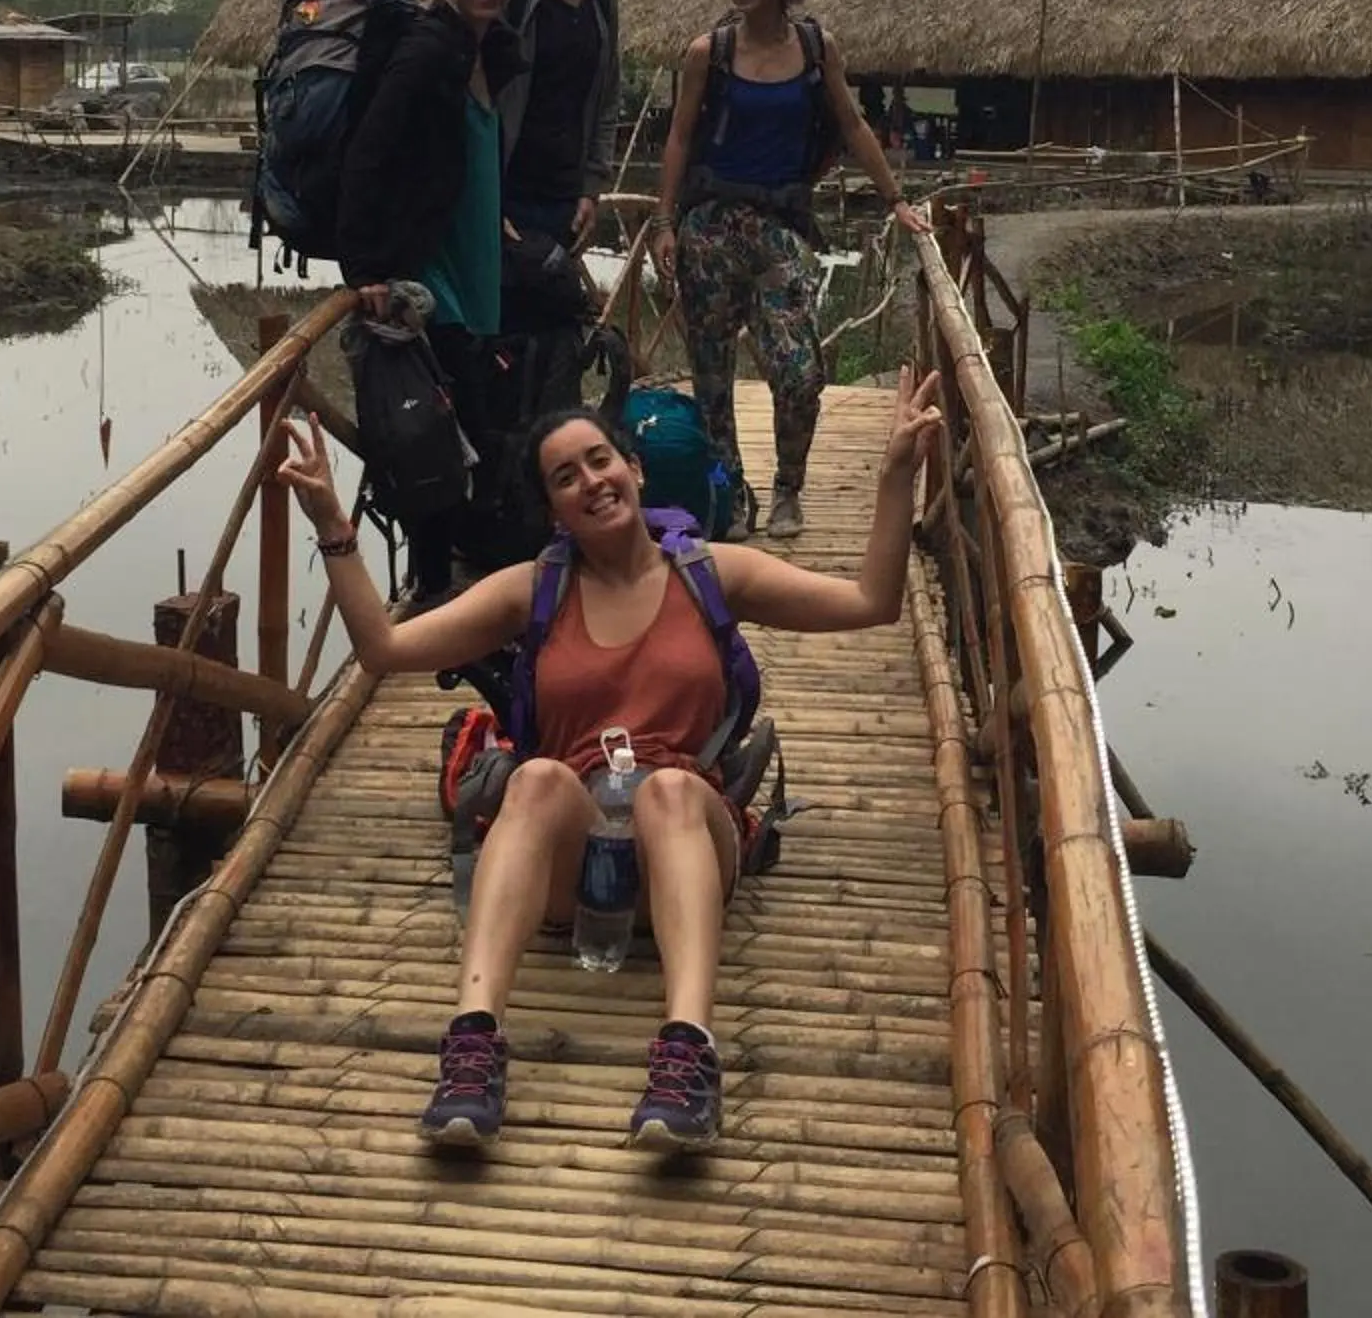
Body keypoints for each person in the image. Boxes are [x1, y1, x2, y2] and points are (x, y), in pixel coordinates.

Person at [271, 370, 943, 1150]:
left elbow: (872, 601)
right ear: (551, 509)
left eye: (600, 460)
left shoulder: (712, 575)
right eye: (565, 477)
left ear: (636, 468)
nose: (590, 482)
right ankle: (473, 1043)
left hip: (686, 840)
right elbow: (386, 649)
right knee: (538, 777)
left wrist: (897, 475)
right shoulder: (533, 590)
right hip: (574, 861)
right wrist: (332, 523)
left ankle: (688, 1051)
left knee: (669, 792)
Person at [653, 0, 929, 540]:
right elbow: (677, 138)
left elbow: (854, 126)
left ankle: (788, 487)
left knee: (800, 371)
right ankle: (730, 490)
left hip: (782, 228)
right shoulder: (709, 53)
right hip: (710, 227)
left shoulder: (815, 46)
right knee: (711, 369)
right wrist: (664, 221)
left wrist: (896, 200)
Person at [335, 0, 525, 601]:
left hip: (475, 269)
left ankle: (448, 580)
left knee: (467, 428)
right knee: (435, 434)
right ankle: (433, 587)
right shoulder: (426, 49)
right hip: (427, 276)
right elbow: (368, 156)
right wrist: (370, 270)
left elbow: (463, 161)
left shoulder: (489, 49)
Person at [497, 0, 622, 252]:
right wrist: (483, 200)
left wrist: (590, 190)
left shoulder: (603, 1)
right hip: (504, 193)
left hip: (563, 202)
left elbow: (606, 102)